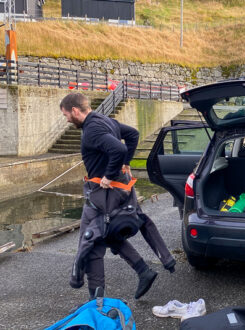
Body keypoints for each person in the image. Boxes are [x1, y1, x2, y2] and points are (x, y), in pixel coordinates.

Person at [60, 92, 175, 300]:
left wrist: (109, 174)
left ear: (75, 111)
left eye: (66, 115)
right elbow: (132, 134)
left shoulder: (92, 129)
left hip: (102, 194)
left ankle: (96, 304)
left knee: (91, 242)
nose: (67, 119)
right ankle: (143, 271)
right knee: (109, 233)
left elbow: (119, 148)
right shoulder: (105, 120)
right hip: (116, 191)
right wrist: (126, 163)